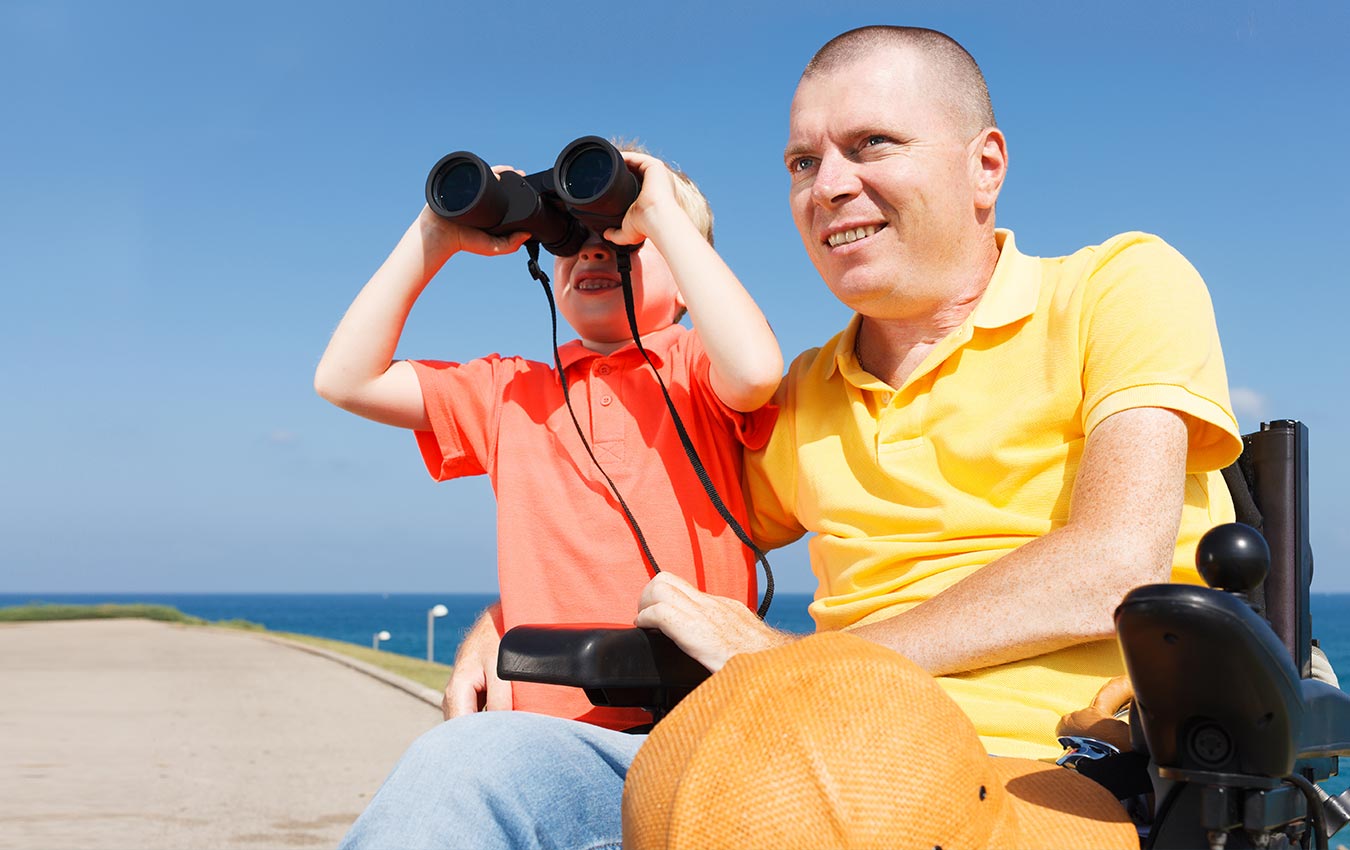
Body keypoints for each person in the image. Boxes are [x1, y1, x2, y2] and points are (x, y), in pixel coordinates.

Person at [340, 26, 1243, 850]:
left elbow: (1116, 566)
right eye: (803, 162)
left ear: (986, 165)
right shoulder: (804, 396)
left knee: (826, 799)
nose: (831, 184)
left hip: (1035, 773)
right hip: (776, 748)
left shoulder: (1115, 287)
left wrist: (809, 668)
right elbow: (637, 537)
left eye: (872, 144)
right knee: (466, 768)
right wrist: (494, 627)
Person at [314, 145, 782, 732]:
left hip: (698, 718)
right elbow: (346, 379)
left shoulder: (697, 369)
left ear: (691, 280)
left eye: (624, 237)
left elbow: (756, 369)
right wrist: (433, 236)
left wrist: (661, 212)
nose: (594, 247)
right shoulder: (509, 391)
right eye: (573, 238)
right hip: (543, 727)